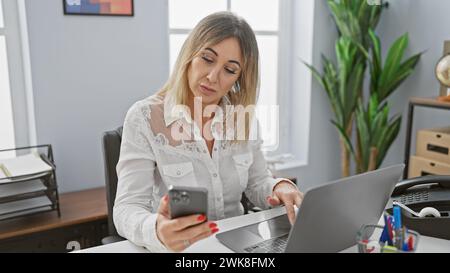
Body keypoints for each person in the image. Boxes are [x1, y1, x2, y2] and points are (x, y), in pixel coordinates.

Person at [113, 11, 303, 253]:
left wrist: (279, 186)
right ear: (190, 54)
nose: (213, 77)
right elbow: (126, 209)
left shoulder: (241, 116)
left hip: (238, 248)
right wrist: (157, 230)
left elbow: (258, 182)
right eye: (207, 58)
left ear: (239, 78)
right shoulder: (144, 118)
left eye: (230, 69)